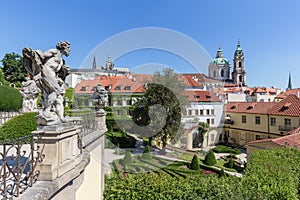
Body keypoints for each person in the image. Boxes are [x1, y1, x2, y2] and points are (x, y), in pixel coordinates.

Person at [22, 41, 71, 125]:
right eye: (68, 47)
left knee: (59, 98)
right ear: (63, 47)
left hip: (53, 76)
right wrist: (33, 54)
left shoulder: (62, 60)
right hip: (46, 72)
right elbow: (41, 56)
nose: (69, 50)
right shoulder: (54, 51)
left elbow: (59, 71)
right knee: (56, 91)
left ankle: (61, 117)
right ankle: (47, 111)